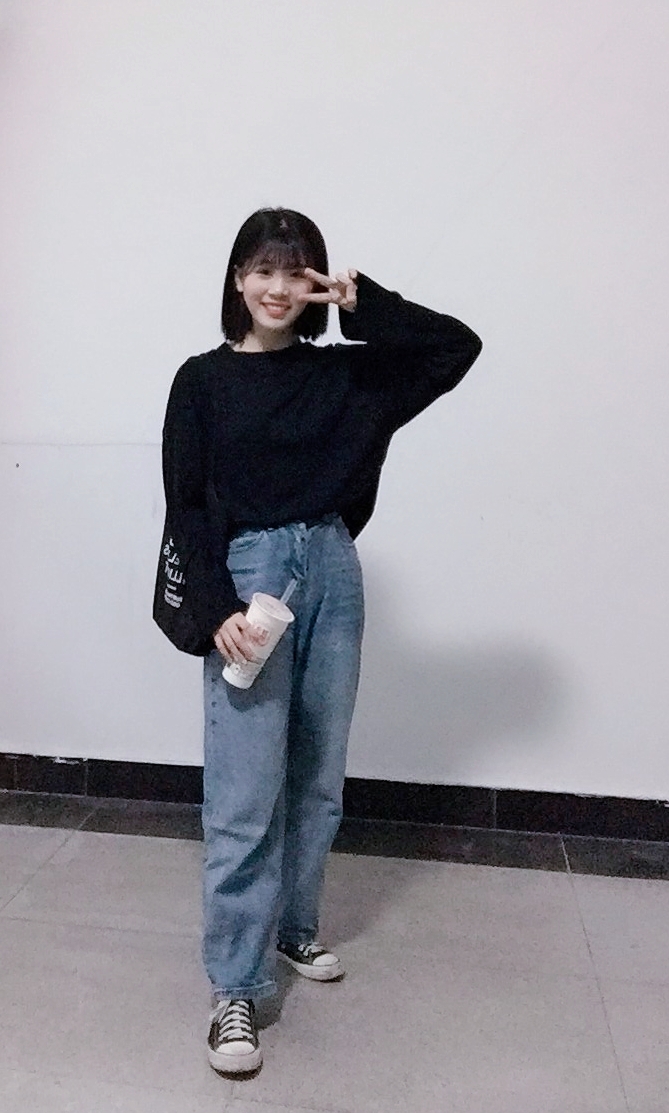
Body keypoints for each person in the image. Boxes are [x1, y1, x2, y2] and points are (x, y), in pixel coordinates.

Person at [158, 207, 482, 1075]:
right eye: (262, 270)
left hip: (333, 568)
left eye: (295, 272)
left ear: (315, 282)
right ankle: (236, 984)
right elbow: (185, 505)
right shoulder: (201, 381)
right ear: (236, 279)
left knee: (317, 778)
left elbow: (455, 348)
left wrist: (361, 303)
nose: (277, 287)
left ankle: (293, 929)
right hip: (249, 579)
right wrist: (215, 605)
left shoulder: (348, 375)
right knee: (243, 790)